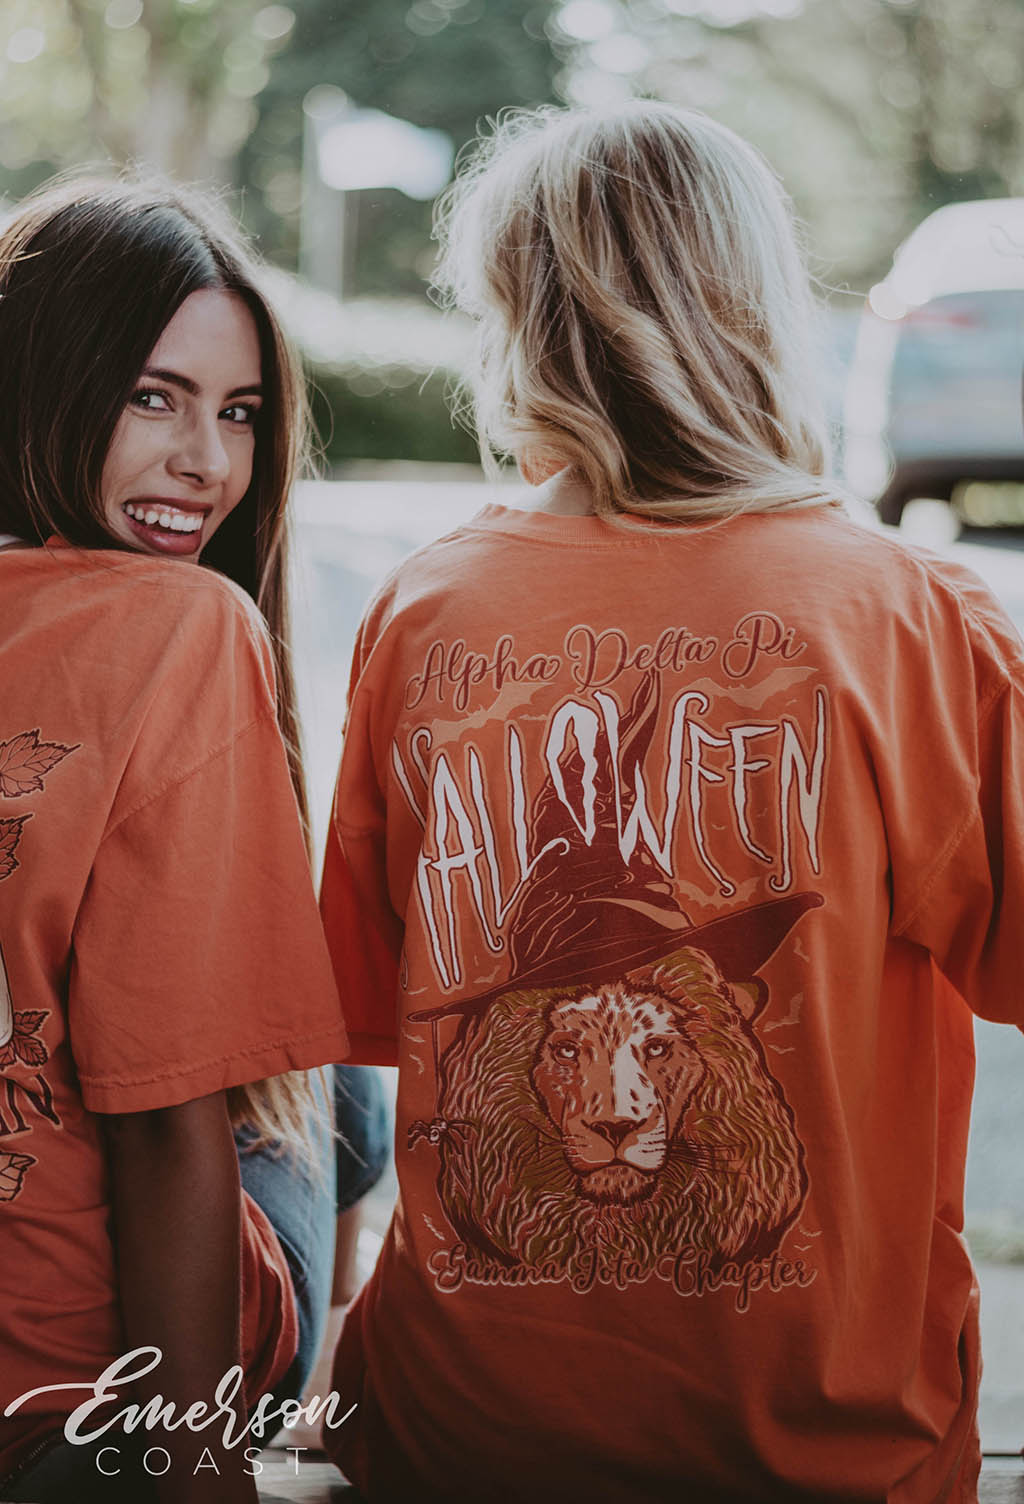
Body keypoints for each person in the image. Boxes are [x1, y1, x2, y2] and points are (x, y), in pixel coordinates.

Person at [318, 103, 1024, 1503]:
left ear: (514, 320)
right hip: (822, 1454)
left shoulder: (422, 611)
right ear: (756, 305)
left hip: (454, 1438)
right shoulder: (910, 615)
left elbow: (360, 1034)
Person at [0, 177, 384, 1504]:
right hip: (75, 1401)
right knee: (338, 1085)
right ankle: (320, 1410)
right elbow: (171, 1122)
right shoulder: (180, 628)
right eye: (153, 397)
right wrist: (198, 1476)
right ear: (41, 379)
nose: (208, 466)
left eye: (240, 414)